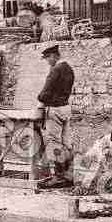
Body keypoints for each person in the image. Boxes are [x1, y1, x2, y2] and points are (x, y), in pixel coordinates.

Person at [36, 45, 75, 188]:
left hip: (55, 110)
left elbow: (44, 94)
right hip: (66, 108)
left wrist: (39, 98)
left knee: (54, 143)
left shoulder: (56, 70)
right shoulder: (69, 69)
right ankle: (69, 175)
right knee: (66, 142)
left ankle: (59, 177)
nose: (47, 61)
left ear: (54, 55)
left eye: (47, 58)